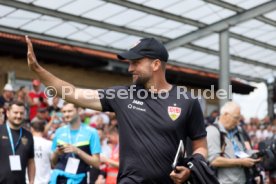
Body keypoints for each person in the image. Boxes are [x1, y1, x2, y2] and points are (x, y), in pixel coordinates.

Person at [26, 36, 207, 184]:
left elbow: (201, 147)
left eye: (135, 62)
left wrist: (190, 169)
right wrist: (37, 69)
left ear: (156, 64)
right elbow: (72, 93)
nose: (130, 68)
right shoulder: (122, 95)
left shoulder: (187, 101)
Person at [206, 102, 261, 184]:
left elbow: (243, 152)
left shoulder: (238, 131)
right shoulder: (212, 131)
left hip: (243, 179)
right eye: (236, 118)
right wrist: (241, 162)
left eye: (239, 118)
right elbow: (214, 160)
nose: (238, 122)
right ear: (225, 114)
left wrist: (256, 154)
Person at [50, 102, 101, 184]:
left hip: (80, 179)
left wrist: (78, 151)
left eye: (70, 111)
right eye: (64, 112)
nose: (66, 114)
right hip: (59, 178)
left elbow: (96, 163)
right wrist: (56, 153)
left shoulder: (91, 132)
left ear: (78, 110)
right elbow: (53, 163)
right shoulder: (59, 132)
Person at [0, 101, 35, 184]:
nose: (18, 116)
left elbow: (31, 161)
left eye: (21, 113)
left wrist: (31, 181)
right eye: (15, 112)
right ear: (8, 113)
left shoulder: (28, 135)